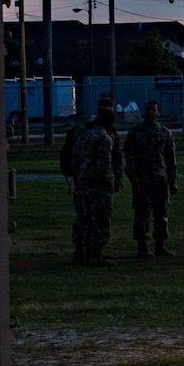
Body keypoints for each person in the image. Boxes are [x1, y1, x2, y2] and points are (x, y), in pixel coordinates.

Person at [70, 99, 125, 267]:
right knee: (100, 219)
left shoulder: (84, 133)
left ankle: (83, 253)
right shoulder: (104, 138)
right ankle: (95, 255)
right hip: (98, 184)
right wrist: (110, 182)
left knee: (85, 217)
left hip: (84, 182)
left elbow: (75, 158)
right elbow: (104, 165)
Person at [123, 100, 179, 259]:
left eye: (153, 110)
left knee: (161, 215)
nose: (150, 112)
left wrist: (173, 181)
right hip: (143, 182)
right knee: (142, 215)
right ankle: (142, 247)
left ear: (158, 113)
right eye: (147, 109)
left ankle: (160, 246)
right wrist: (134, 181)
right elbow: (130, 159)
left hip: (161, 182)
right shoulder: (135, 133)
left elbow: (170, 160)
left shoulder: (165, 133)